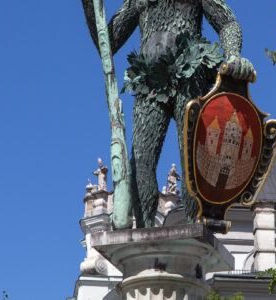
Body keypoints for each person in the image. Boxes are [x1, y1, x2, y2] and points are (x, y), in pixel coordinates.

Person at [82, 0, 255, 227]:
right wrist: (88, 5)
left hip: (190, 74)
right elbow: (108, 40)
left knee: (191, 160)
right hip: (149, 78)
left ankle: (196, 225)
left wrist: (233, 54)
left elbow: (228, 23)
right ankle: (143, 229)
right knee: (141, 161)